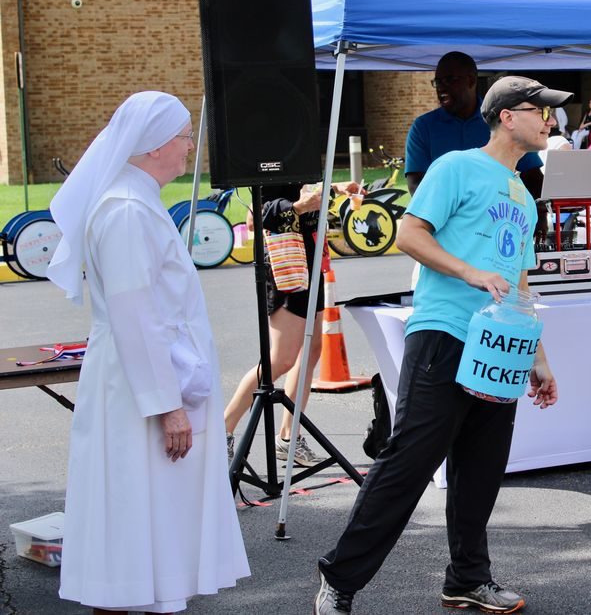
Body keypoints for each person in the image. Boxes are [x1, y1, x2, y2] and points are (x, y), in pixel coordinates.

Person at [314, 76, 565, 615]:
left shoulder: (524, 196)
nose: (549, 120)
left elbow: (520, 280)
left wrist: (538, 357)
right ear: (506, 117)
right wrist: (469, 272)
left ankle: (467, 579)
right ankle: (339, 579)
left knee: (481, 468)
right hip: (444, 332)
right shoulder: (455, 167)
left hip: (499, 346)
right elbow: (409, 234)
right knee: (409, 460)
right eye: (540, 110)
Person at [47, 91, 250, 613]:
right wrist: (167, 405)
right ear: (156, 145)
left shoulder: (135, 202)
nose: (189, 147)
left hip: (145, 380)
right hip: (138, 390)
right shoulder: (125, 210)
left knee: (149, 514)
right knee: (129, 515)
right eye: (184, 137)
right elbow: (134, 315)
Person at [222, 180, 362, 467]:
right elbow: (255, 219)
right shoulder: (270, 162)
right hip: (287, 260)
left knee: (311, 350)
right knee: (281, 359)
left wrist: (334, 187)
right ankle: (222, 429)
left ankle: (288, 437)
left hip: (310, 258)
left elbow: (302, 187)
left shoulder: (301, 158)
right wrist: (298, 207)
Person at [404, 51, 545, 201]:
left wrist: (539, 210)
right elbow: (416, 185)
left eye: (450, 80)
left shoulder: (503, 121)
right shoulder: (423, 127)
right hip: (444, 215)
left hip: (501, 213)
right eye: (438, 82)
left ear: (471, 81)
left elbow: (533, 178)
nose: (441, 88)